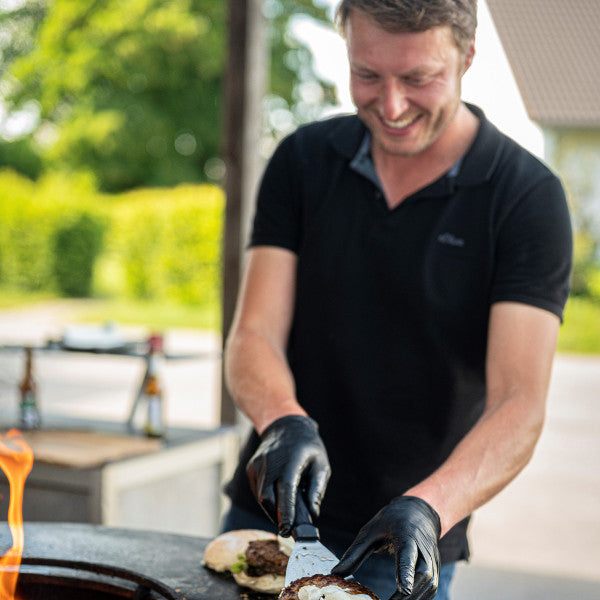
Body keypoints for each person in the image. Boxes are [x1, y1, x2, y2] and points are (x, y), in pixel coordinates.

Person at [221, 1, 573, 598]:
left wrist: (430, 508)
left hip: (406, 544)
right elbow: (253, 333)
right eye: (367, 75)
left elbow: (519, 404)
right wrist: (280, 420)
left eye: (418, 78)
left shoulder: (525, 198)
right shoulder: (302, 162)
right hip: (270, 521)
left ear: (466, 57)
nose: (390, 106)